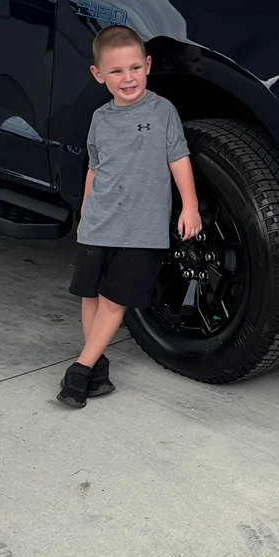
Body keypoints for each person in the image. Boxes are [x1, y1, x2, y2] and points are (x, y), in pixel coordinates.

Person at [59, 25, 201, 408]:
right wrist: (87, 206)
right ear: (98, 75)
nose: (128, 78)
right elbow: (95, 166)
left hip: (142, 228)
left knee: (114, 298)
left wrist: (190, 206)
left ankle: (79, 370)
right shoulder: (100, 118)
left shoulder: (161, 111)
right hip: (99, 222)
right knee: (90, 294)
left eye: (135, 68)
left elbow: (178, 158)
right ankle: (97, 368)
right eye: (117, 71)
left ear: (148, 65)